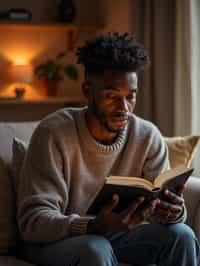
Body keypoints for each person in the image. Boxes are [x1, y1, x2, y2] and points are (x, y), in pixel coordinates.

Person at [17, 32, 199, 266]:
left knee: (181, 236)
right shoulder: (54, 133)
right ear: (87, 90)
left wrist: (173, 211)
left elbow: (158, 205)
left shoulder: (147, 135)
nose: (124, 107)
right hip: (53, 242)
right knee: (95, 248)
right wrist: (92, 226)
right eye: (112, 96)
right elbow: (33, 222)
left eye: (130, 97)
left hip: (114, 236)